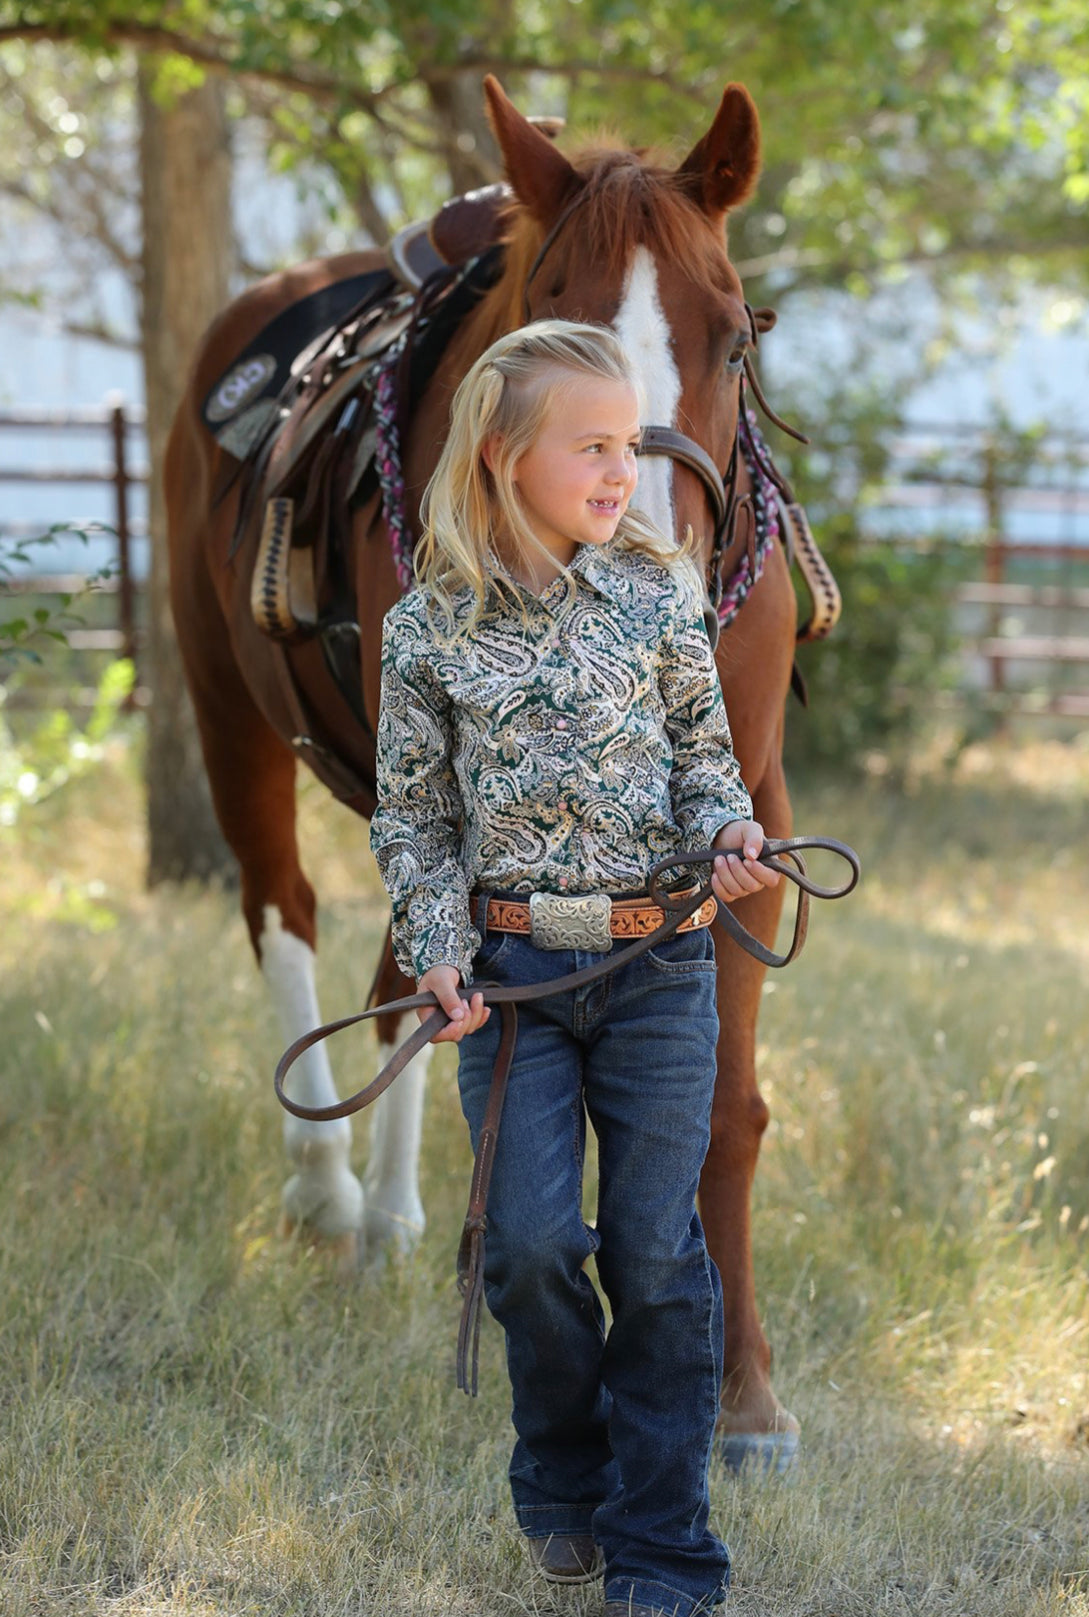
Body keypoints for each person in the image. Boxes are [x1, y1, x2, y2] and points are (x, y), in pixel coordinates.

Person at [370, 320, 780, 1617]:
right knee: (530, 1244)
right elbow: (413, 818)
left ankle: (662, 1550)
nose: (624, 471)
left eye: (632, 443)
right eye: (591, 446)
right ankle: (562, 1480)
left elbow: (703, 753)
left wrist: (726, 828)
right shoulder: (428, 630)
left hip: (659, 965)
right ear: (502, 457)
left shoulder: (658, 589)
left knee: (657, 1254)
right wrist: (436, 951)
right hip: (507, 977)